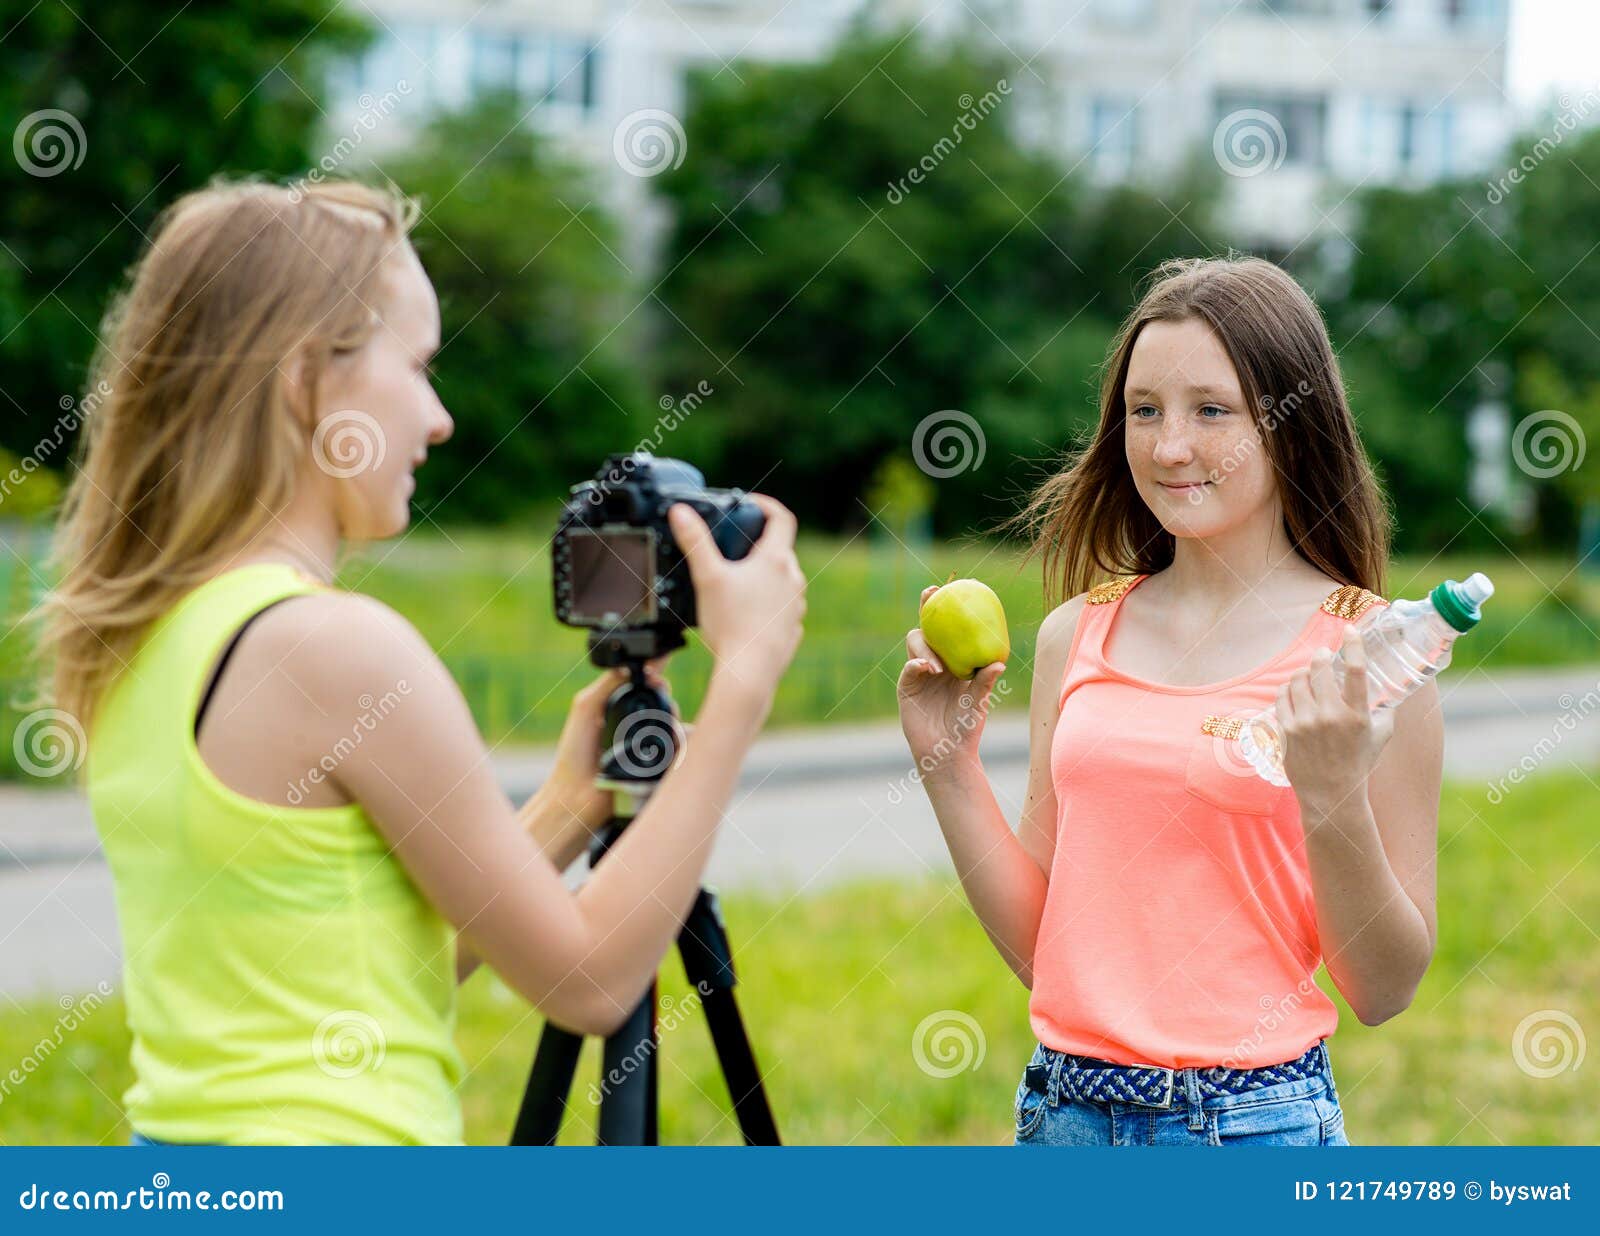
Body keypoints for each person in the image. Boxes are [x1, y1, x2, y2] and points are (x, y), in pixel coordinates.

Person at [37, 179, 806, 1146]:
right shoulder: (335, 649)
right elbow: (592, 979)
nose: (439, 419)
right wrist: (744, 682)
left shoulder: (141, 634)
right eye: (418, 366)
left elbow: (371, 964)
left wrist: (572, 806)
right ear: (304, 376)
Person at [897, 256, 1441, 1147]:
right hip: (1063, 1122)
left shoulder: (1373, 658)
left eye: (1211, 411)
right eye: (1143, 410)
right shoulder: (1077, 634)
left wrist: (1332, 791)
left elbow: (1385, 989)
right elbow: (1047, 953)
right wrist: (946, 766)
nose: (1167, 445)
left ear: (1292, 429)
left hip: (1257, 1130)